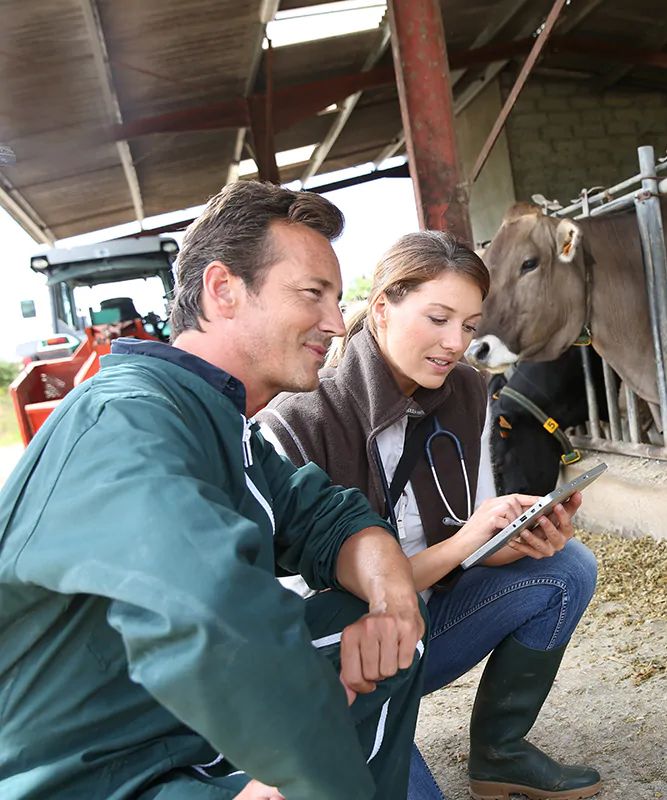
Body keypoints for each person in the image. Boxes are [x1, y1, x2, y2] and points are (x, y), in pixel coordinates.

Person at [0, 181, 428, 800]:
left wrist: (394, 602)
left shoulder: (224, 425)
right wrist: (315, 776)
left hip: (172, 729)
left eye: (337, 300)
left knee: (377, 629)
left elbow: (330, 520)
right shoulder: (127, 418)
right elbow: (208, 612)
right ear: (223, 290)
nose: (338, 324)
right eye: (313, 294)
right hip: (91, 774)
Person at [257, 230, 601, 800]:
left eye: (469, 325)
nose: (455, 343)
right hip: (344, 661)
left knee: (567, 567)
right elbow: (314, 610)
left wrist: (507, 540)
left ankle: (499, 754)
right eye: (438, 318)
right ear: (382, 308)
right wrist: (464, 544)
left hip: (422, 625)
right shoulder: (296, 422)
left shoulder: (466, 391)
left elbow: (466, 530)